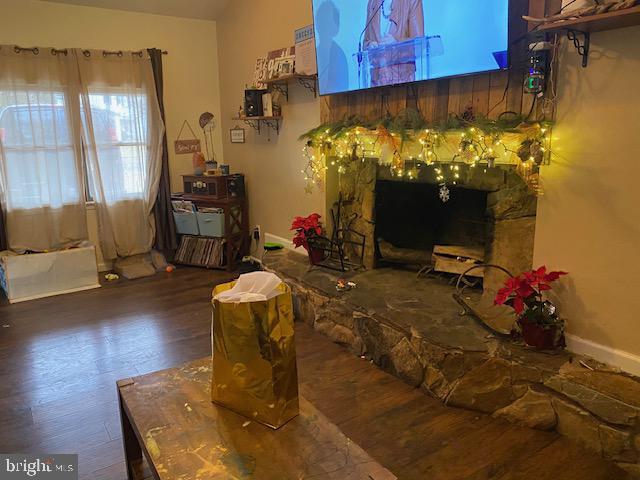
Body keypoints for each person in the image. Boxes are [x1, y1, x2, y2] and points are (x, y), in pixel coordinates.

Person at [363, 0, 425, 87]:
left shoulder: (412, 1)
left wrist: (397, 45)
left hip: (402, 81)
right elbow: (366, 43)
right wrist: (370, 46)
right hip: (377, 83)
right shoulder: (373, 2)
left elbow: (419, 44)